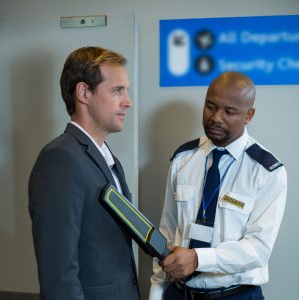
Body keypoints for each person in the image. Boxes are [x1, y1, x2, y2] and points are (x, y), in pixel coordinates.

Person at [149, 71, 287, 300]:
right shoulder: (183, 159)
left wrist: (198, 258)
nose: (216, 117)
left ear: (249, 115)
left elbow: (258, 249)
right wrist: (156, 293)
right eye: (210, 106)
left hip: (236, 295)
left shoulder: (267, 172)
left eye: (229, 111)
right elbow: (167, 233)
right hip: (179, 293)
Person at [28, 47, 140, 300]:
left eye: (127, 90)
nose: (128, 101)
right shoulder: (60, 160)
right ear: (84, 93)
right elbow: (59, 274)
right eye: (117, 90)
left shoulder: (107, 158)